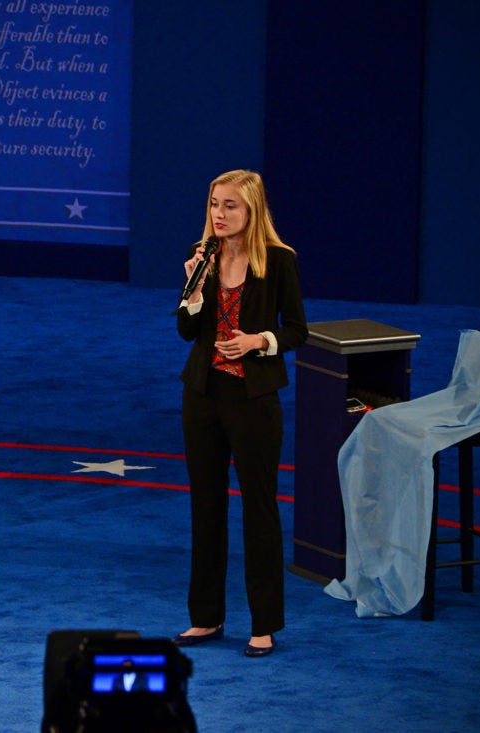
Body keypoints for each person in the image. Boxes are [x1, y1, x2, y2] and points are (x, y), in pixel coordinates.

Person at [172, 169, 307, 657]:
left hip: (253, 401)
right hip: (202, 396)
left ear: (251, 211)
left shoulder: (278, 260)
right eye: (214, 204)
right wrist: (194, 290)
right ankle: (205, 618)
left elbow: (297, 330)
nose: (219, 214)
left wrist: (258, 342)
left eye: (230, 206)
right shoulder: (202, 255)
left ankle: (264, 624)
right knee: (205, 506)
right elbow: (188, 333)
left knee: (259, 509)